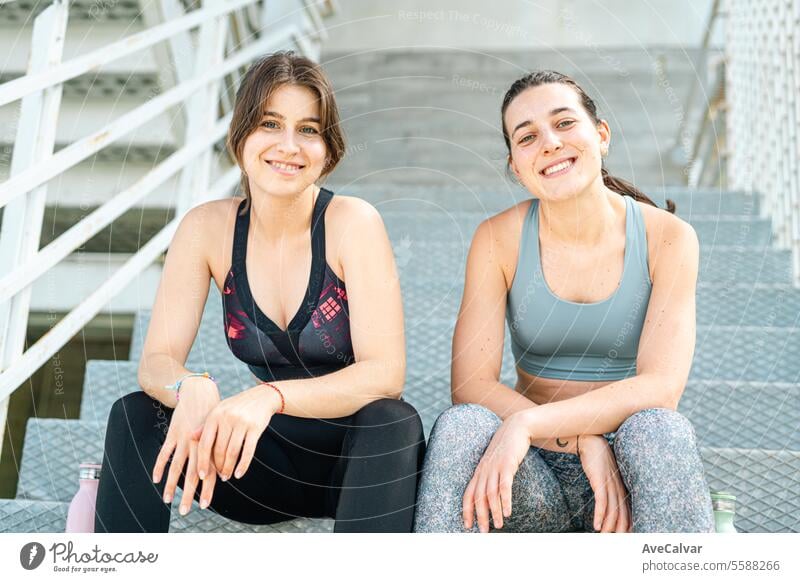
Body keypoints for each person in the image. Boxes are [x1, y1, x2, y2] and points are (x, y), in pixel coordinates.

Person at [94, 51, 425, 533]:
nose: (289, 145)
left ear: (328, 149)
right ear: (241, 137)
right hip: (254, 463)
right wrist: (192, 385)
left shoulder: (352, 222)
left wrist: (268, 396)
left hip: (356, 469)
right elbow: (157, 361)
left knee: (394, 419)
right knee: (137, 413)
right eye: (271, 123)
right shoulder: (206, 228)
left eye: (309, 129)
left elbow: (385, 374)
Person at [413, 71, 715, 533]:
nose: (550, 143)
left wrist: (540, 426)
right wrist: (576, 439)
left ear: (602, 135)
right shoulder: (497, 239)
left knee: (661, 430)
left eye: (564, 123)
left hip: (630, 473)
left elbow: (660, 388)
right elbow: (471, 384)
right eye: (528, 136)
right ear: (516, 166)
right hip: (531, 465)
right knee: (462, 425)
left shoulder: (668, 239)